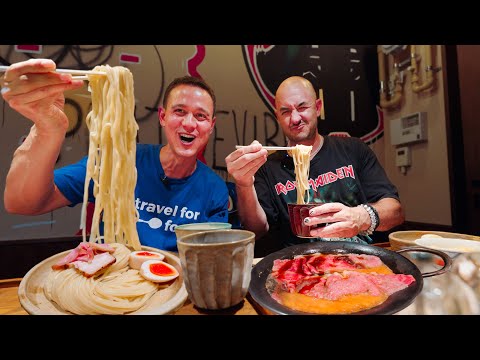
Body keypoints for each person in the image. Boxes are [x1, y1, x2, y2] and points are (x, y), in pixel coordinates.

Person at [1, 58, 229, 251]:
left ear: (211, 125)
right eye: (179, 111)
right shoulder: (117, 160)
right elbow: (22, 203)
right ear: (162, 117)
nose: (189, 124)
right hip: (110, 277)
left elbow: (210, 258)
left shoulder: (215, 189)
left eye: (201, 116)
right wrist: (47, 129)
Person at [225, 76, 404, 252]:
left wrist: (361, 217)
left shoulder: (353, 149)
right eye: (285, 111)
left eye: (302, 107)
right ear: (277, 116)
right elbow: (257, 230)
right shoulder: (268, 168)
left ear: (318, 108)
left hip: (359, 258)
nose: (295, 118)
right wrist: (243, 183)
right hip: (300, 266)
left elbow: (395, 212)